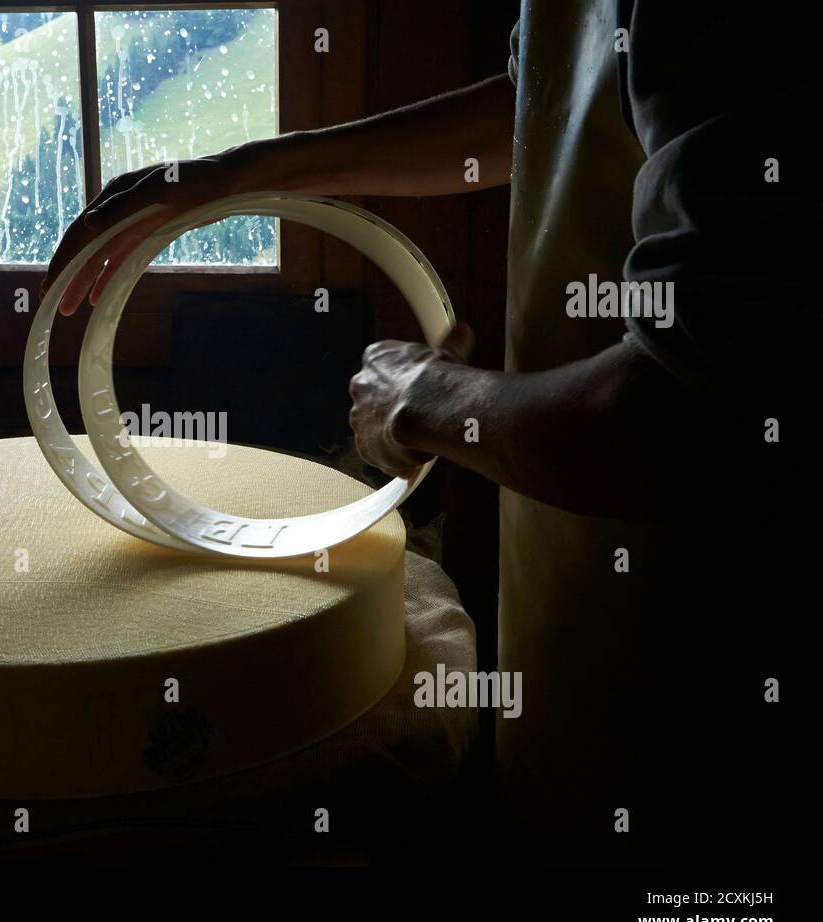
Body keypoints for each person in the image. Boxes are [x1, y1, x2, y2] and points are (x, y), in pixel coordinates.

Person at [43, 1, 805, 863]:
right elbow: (533, 109)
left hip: (715, 674)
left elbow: (704, 414)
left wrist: (429, 399)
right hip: (573, 617)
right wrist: (237, 172)